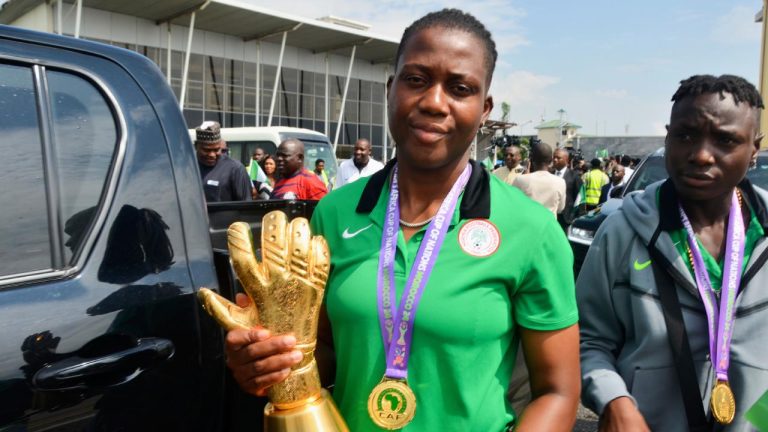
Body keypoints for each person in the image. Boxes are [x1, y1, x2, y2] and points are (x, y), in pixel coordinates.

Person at [223, 9, 580, 432]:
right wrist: (264, 361)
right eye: (416, 80)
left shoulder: (531, 229)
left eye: (459, 88)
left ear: (484, 109)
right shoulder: (335, 214)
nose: (433, 101)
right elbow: (318, 354)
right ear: (391, 89)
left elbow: (558, 392)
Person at [578, 74, 768, 432]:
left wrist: (759, 422)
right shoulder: (621, 232)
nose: (700, 154)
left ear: (754, 148)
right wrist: (615, 401)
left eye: (726, 140)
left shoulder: (762, 233)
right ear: (667, 136)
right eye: (685, 136)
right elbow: (588, 340)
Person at [194, 121, 252, 202]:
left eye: (216, 150)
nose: (212, 155)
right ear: (196, 146)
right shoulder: (186, 168)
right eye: (206, 150)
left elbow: (246, 206)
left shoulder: (236, 169)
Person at [512, 141, 566, 216]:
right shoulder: (561, 182)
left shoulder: (520, 180)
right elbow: (560, 208)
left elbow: (513, 204)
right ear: (551, 160)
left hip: (527, 224)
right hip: (549, 225)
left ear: (532, 159)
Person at [553, 148, 582, 229]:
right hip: (551, 215)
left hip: (566, 218)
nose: (555, 160)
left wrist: (576, 217)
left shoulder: (574, 176)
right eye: (554, 157)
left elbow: (580, 197)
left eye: (558, 158)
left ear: (566, 160)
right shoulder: (549, 174)